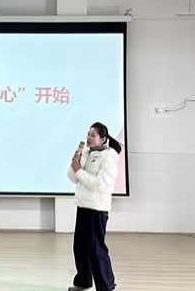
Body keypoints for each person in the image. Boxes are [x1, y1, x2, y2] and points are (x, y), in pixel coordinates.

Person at [67, 122, 122, 291]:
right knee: (80, 247)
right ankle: (83, 282)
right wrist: (75, 164)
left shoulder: (108, 157)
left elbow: (101, 185)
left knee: (96, 249)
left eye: (93, 135)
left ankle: (106, 286)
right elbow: (73, 178)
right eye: (88, 134)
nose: (88, 138)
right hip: (83, 206)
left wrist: (79, 171)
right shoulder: (86, 152)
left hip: (97, 209)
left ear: (103, 139)